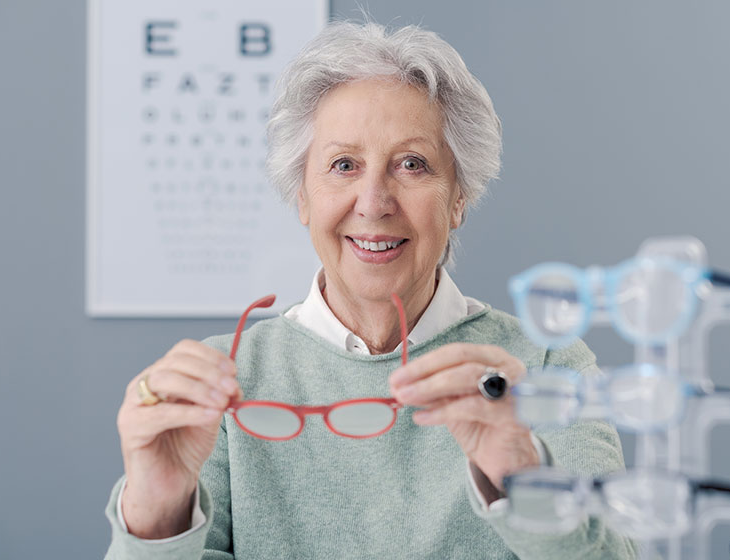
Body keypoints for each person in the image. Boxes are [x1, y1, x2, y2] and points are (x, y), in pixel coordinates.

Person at [105, 20, 637, 560]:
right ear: (302, 196)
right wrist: (156, 513)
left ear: (459, 198)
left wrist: (521, 475)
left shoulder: (545, 366)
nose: (374, 202)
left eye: (412, 164)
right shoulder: (222, 381)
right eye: (344, 165)